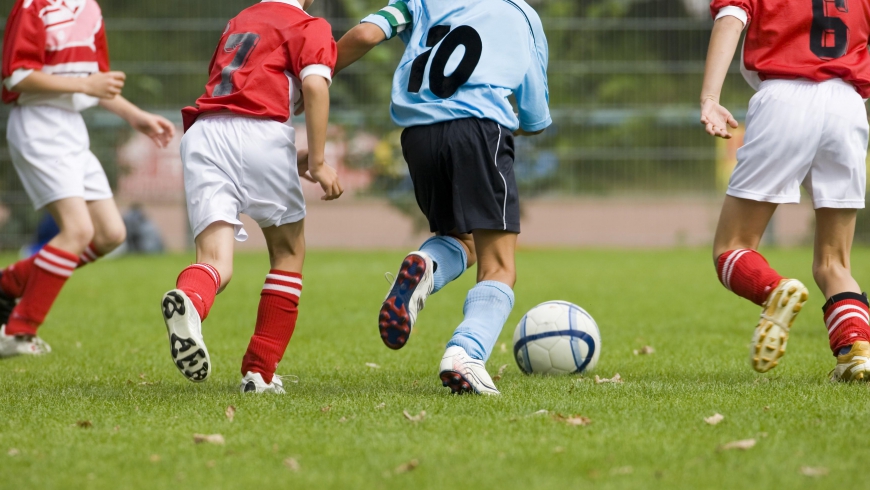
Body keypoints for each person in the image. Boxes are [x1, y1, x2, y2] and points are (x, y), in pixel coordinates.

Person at [335, 0, 551, 394]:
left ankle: (426, 262)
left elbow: (366, 33)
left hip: (418, 135)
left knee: (460, 240)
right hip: (479, 128)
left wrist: (316, 73)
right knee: (499, 265)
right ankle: (465, 353)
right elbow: (534, 117)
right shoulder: (520, 13)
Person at [161, 0, 342, 393]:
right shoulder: (311, 25)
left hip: (204, 134)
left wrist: (290, 160)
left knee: (214, 261)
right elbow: (313, 85)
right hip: (262, 132)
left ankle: (190, 299)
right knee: (288, 253)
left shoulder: (239, 21)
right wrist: (320, 160)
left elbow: (237, 102)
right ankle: (259, 373)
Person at [701, 0, 870, 381]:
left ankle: (775, 289)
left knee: (732, 247)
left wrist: (710, 98)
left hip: (784, 98)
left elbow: (730, 19)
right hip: (848, 106)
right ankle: (857, 350)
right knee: (834, 263)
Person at [0, 0, 175, 358]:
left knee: (111, 234)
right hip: (38, 124)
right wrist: (85, 84)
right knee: (77, 231)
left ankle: (11, 282)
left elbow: (98, 85)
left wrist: (135, 115)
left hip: (71, 128)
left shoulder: (91, 9)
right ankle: (17, 330)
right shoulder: (34, 6)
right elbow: (15, 76)